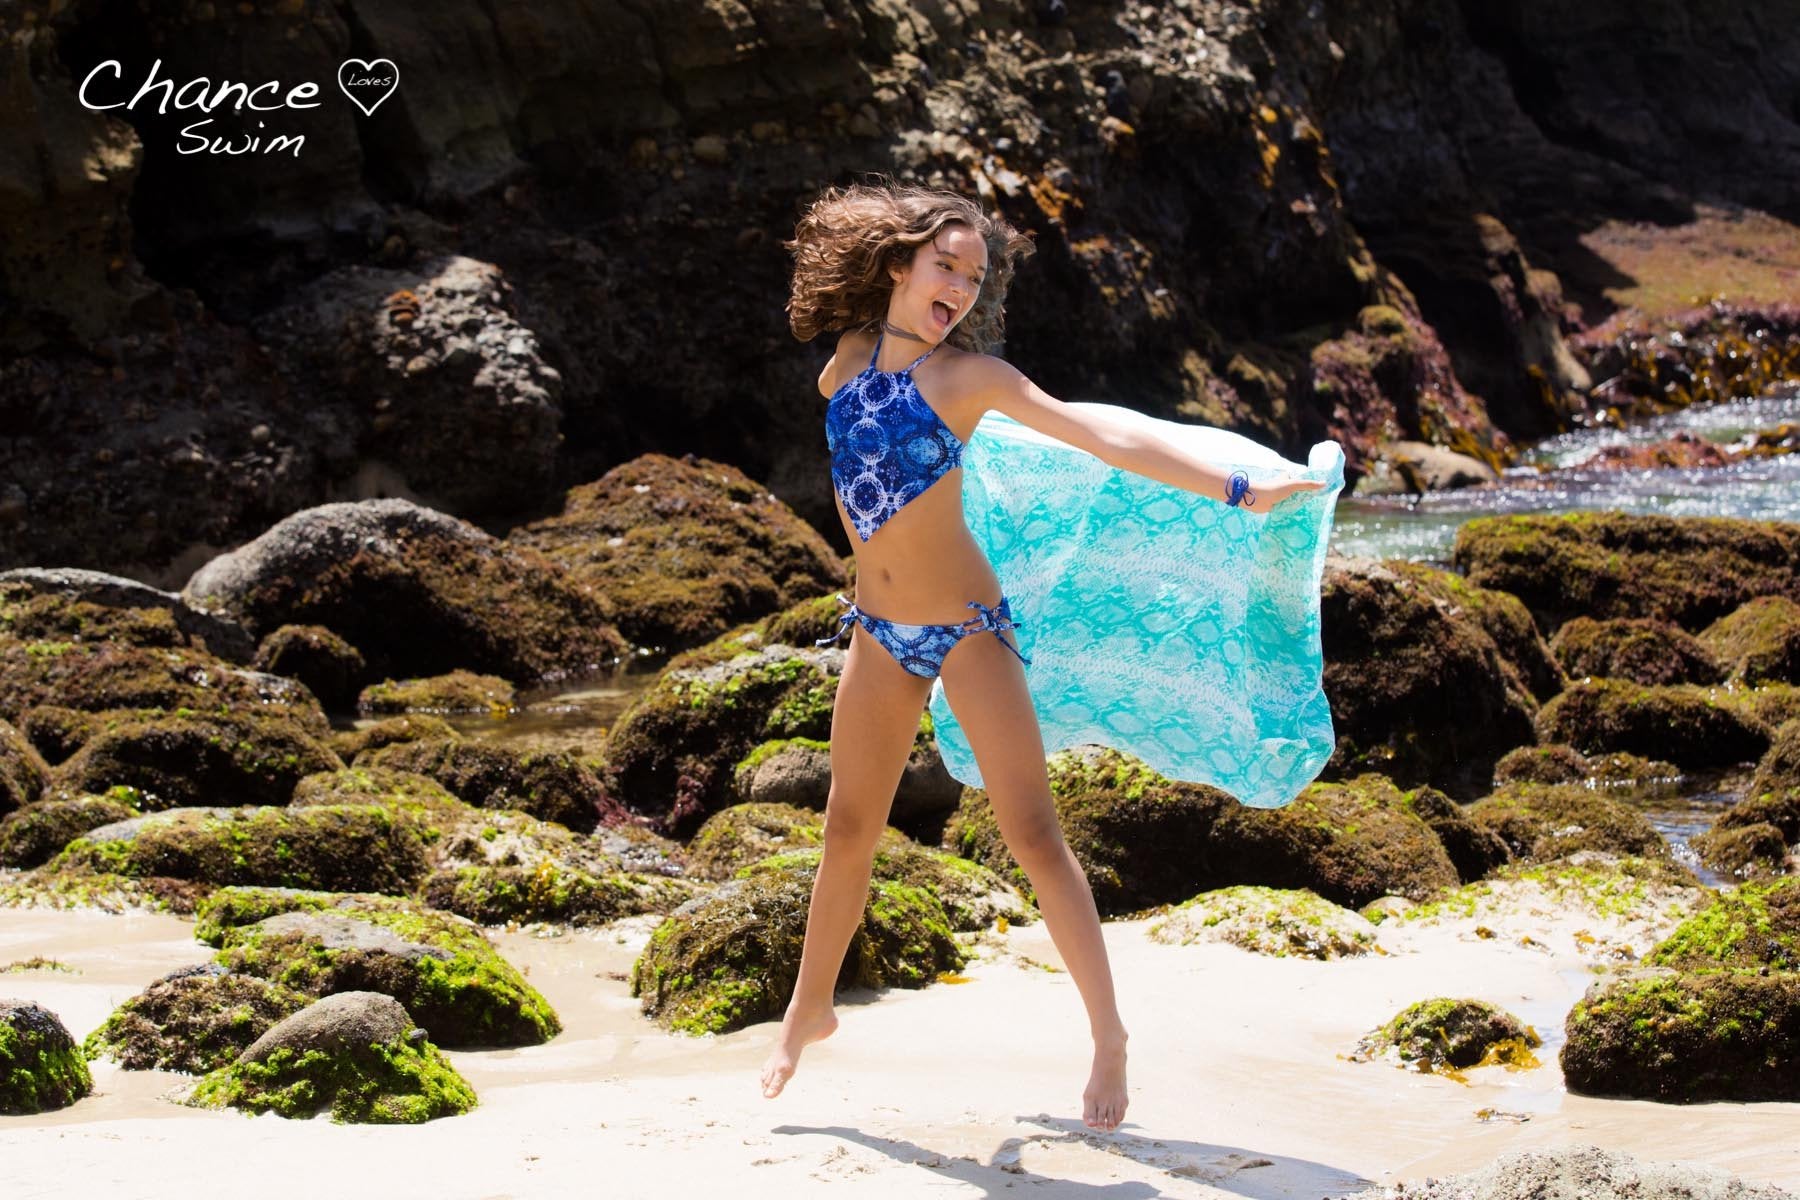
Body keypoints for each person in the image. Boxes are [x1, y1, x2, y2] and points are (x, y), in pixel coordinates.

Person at [759, 177, 1326, 1131]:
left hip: (971, 627)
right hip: (878, 632)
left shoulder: (971, 379)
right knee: (847, 828)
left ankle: (1108, 1036)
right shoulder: (846, 363)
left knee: (1031, 833)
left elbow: (1098, 432)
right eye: (947, 267)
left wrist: (1236, 487)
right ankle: (808, 1009)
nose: (960, 290)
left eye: (974, 279)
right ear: (897, 264)